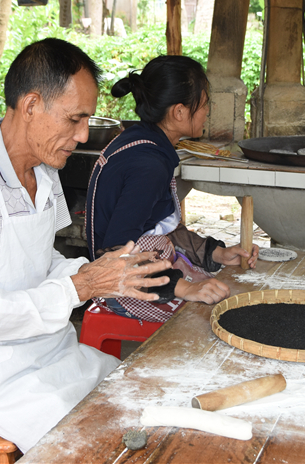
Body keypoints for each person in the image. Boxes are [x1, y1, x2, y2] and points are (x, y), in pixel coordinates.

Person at [0, 38, 173, 453]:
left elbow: (41, 260)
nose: (83, 135)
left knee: (137, 400)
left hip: (51, 350)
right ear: (31, 106)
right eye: (74, 119)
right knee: (95, 445)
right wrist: (82, 286)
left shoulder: (43, 170)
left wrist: (99, 275)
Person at [85, 55, 259, 322]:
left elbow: (159, 228)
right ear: (179, 112)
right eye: (204, 104)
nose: (207, 111)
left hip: (151, 274)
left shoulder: (144, 141)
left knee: (227, 299)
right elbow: (116, 253)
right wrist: (185, 288)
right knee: (220, 318)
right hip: (123, 289)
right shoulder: (148, 165)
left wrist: (217, 253)